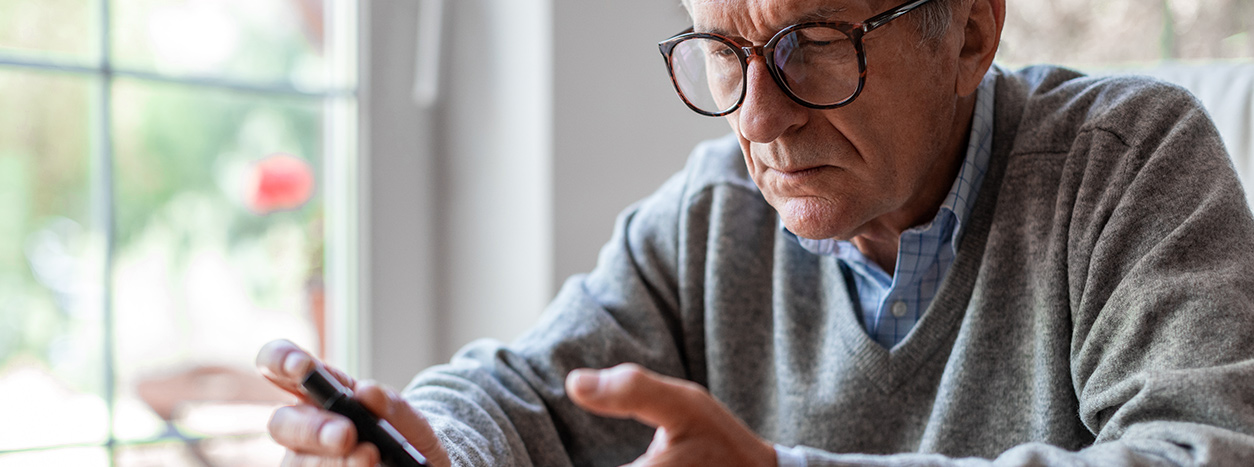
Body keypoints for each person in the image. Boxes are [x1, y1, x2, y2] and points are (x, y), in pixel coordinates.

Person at [257, 0, 1254, 465]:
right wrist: (430, 445)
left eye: (810, 46)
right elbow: (525, 391)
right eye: (723, 54)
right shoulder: (714, 212)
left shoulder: (1130, 161)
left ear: (970, 33)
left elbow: (1200, 455)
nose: (758, 119)